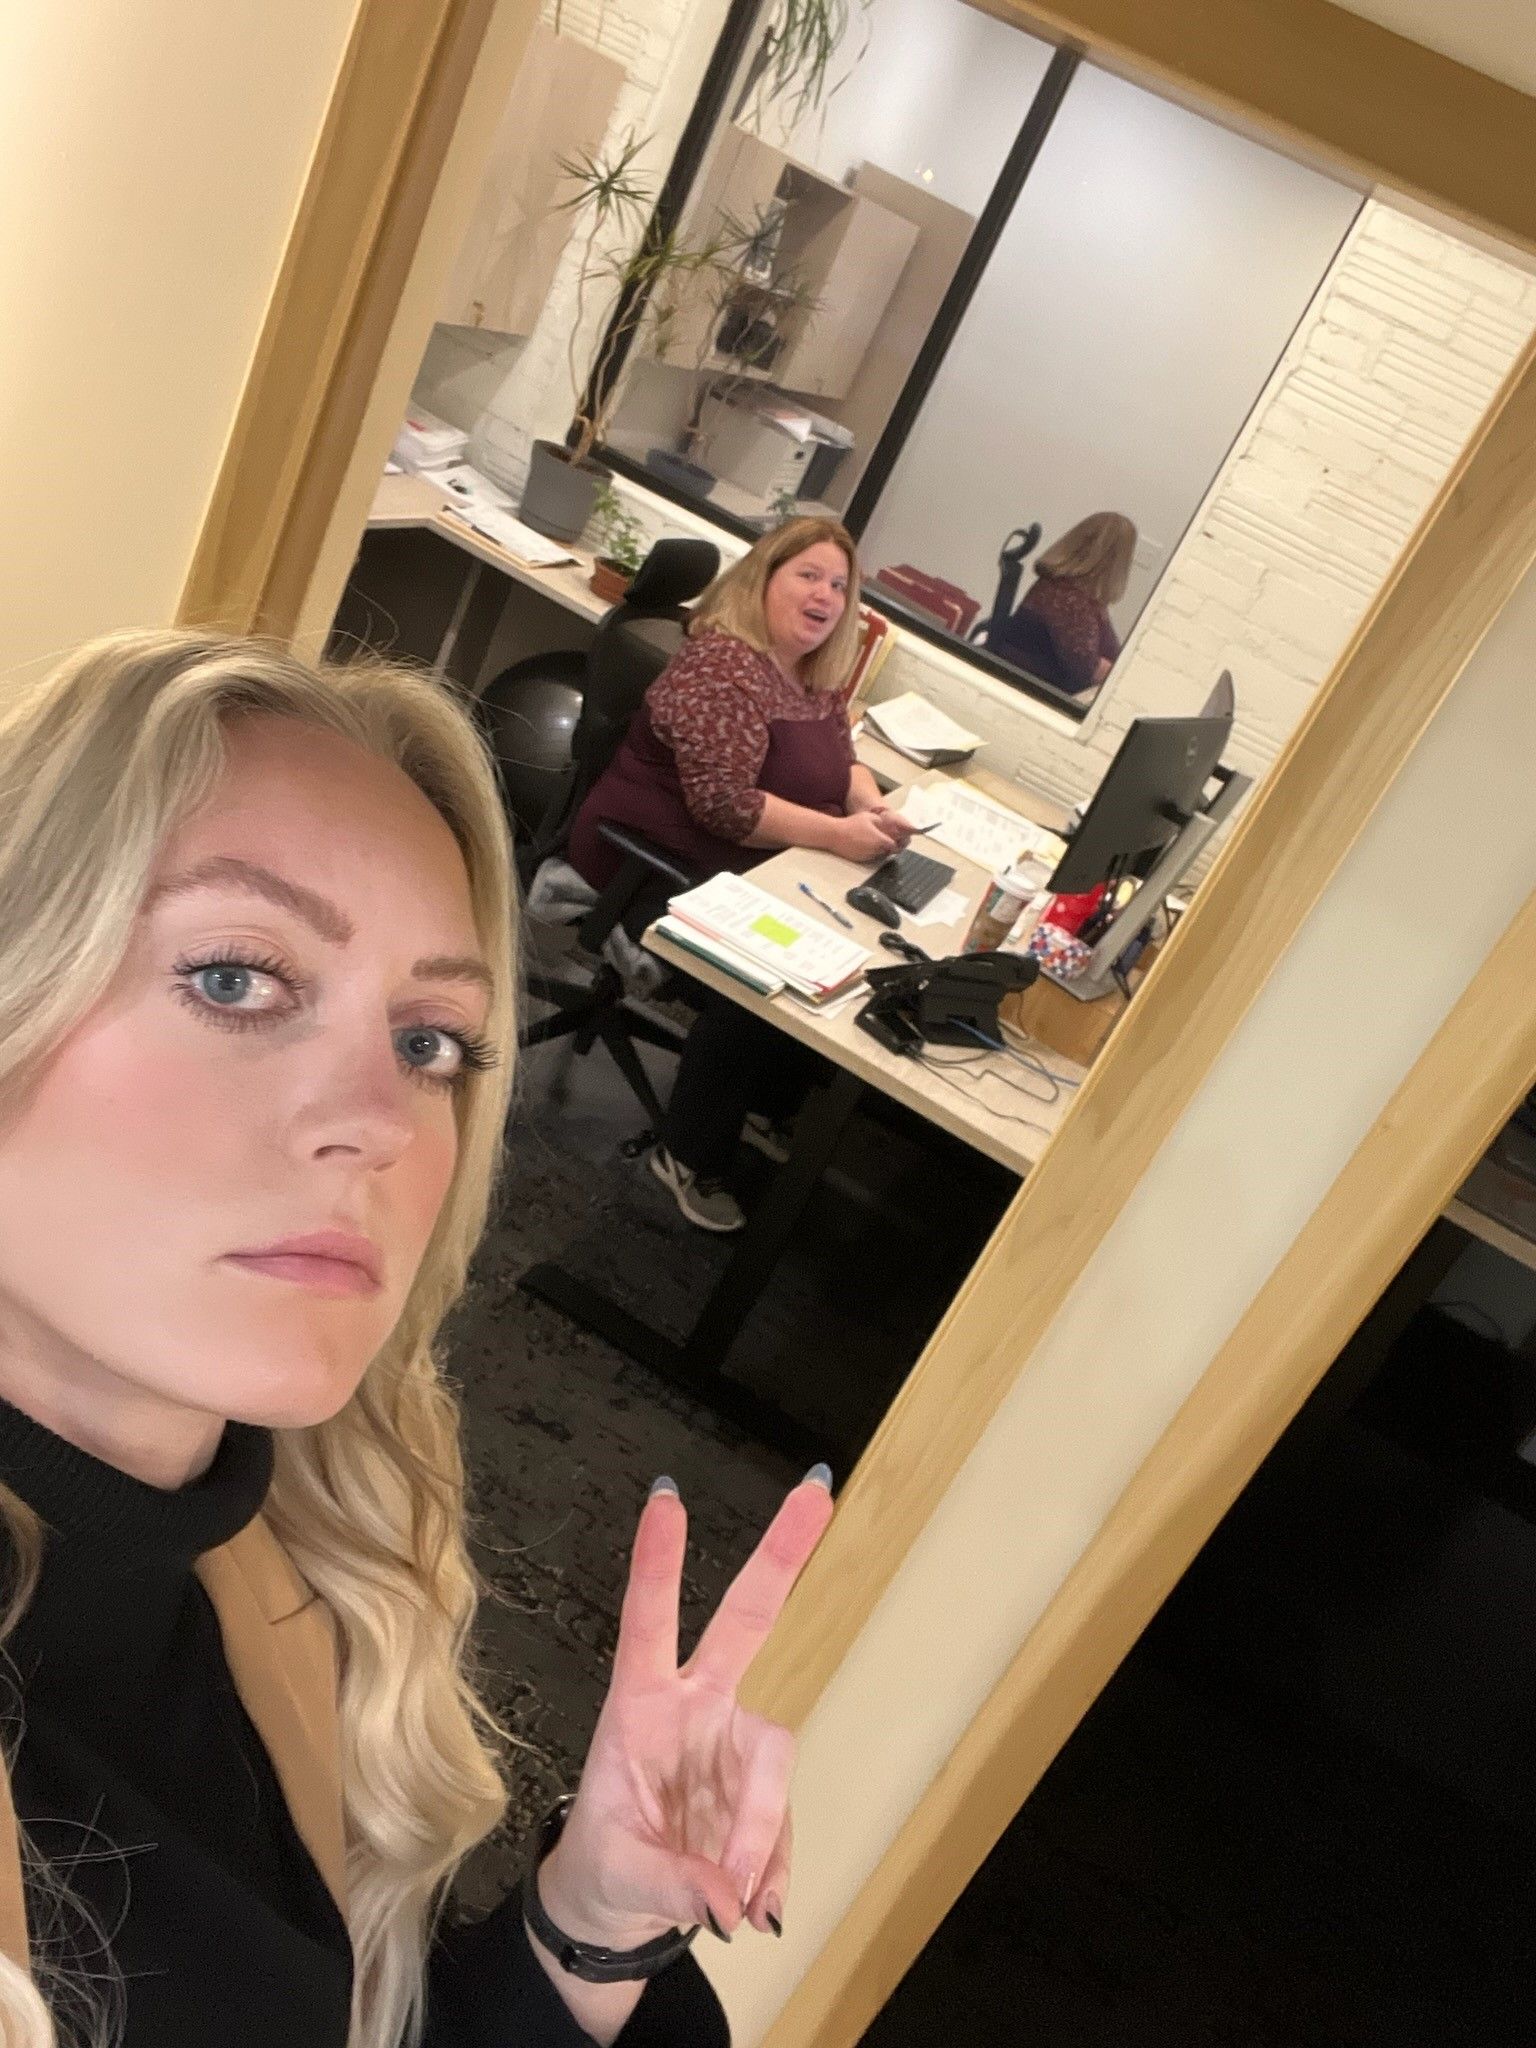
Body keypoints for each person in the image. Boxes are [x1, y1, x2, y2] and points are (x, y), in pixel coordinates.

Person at [0, 629, 834, 2048]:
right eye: (235, 978)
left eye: (431, 1041)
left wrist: (595, 1921)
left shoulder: (280, 1558)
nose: (384, 1125)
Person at [567, 518, 912, 1233]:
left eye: (840, 586)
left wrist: (871, 807)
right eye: (808, 575)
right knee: (767, 986)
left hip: (739, 868)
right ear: (764, 578)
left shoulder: (810, 674)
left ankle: (757, 1107)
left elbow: (843, 759)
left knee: (846, 960)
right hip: (650, 863)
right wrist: (842, 839)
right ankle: (687, 1153)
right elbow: (726, 806)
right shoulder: (723, 666)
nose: (825, 595)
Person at [990, 511, 1137, 698]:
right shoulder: (1068, 598)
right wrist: (1107, 668)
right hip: (1025, 693)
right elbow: (1085, 673)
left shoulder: (1076, 594)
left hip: (1029, 688)